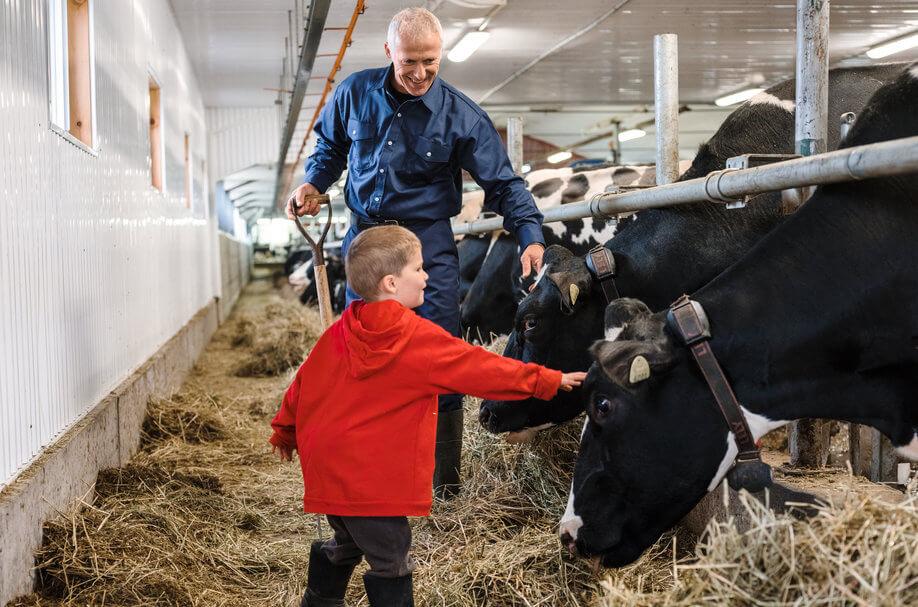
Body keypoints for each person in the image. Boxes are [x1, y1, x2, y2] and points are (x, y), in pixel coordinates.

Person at [286, 7, 547, 497]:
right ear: (389, 52)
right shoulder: (354, 93)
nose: (421, 73)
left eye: (431, 61)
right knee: (362, 351)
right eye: (410, 61)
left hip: (426, 243)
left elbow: (504, 183)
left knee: (439, 348)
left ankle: (443, 482)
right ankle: (367, 465)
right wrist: (313, 183)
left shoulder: (462, 115)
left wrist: (531, 235)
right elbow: (330, 148)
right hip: (366, 240)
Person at [269, 226, 585, 607]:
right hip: (369, 478)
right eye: (418, 269)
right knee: (392, 558)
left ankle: (318, 601)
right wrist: (545, 379)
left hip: (328, 467)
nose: (426, 276)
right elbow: (480, 368)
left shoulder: (341, 330)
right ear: (390, 282)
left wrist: (285, 431)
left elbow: (302, 385)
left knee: (348, 539)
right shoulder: (414, 338)